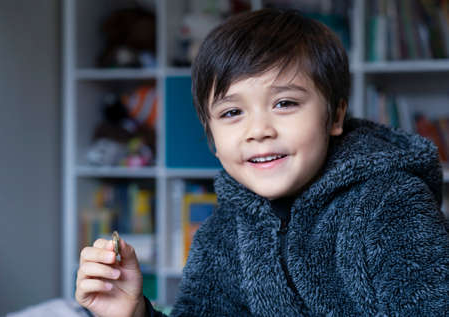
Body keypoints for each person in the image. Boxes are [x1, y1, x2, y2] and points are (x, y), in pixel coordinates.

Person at [75, 8, 449, 316]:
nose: (258, 130)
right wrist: (133, 311)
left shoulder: (393, 203)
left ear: (334, 117)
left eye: (285, 103)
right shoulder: (222, 233)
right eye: (232, 112)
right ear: (213, 140)